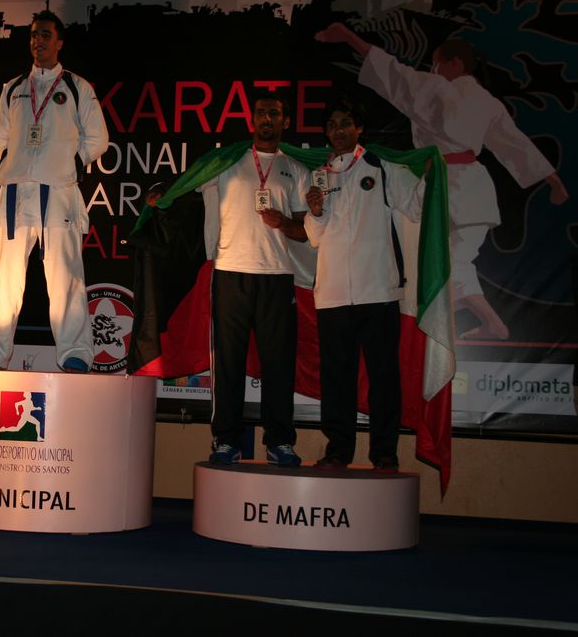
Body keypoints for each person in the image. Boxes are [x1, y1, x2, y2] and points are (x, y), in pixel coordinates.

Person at [315, 23, 568, 340]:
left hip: (447, 184)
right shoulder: (487, 101)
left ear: (456, 64)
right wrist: (553, 180)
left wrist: (349, 37)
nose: (433, 70)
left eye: (436, 64)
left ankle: (491, 324)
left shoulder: (436, 90)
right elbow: (515, 145)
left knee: (451, 262)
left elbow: (393, 73)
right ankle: (453, 321)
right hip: (469, 186)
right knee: (441, 261)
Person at [0, 10, 109, 373]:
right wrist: (16, 163)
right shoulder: (13, 89)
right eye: (33, 35)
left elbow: (98, 139)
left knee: (65, 277)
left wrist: (69, 164)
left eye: (45, 34)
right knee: (5, 277)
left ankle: (75, 353)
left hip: (58, 192)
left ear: (59, 42)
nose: (38, 40)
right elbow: (0, 140)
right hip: (15, 193)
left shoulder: (77, 87)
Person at [305, 97, 424, 472]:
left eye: (346, 123)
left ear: (359, 129)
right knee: (336, 380)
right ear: (326, 133)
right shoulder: (319, 175)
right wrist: (315, 210)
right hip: (333, 296)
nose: (339, 130)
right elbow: (314, 237)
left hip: (378, 292)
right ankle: (338, 450)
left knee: (383, 377)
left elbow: (416, 206)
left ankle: (384, 451)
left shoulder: (383, 167)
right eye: (332, 125)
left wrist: (430, 171)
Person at [202, 95, 310, 467]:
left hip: (277, 276)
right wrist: (162, 196)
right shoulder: (227, 162)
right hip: (231, 272)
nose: (267, 118)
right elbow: (187, 186)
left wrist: (285, 222)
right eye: (261, 113)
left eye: (274, 114)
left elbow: (305, 231)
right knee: (228, 363)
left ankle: (279, 442)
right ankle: (226, 440)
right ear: (252, 119)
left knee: (278, 364)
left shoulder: (295, 168)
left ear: (284, 121)